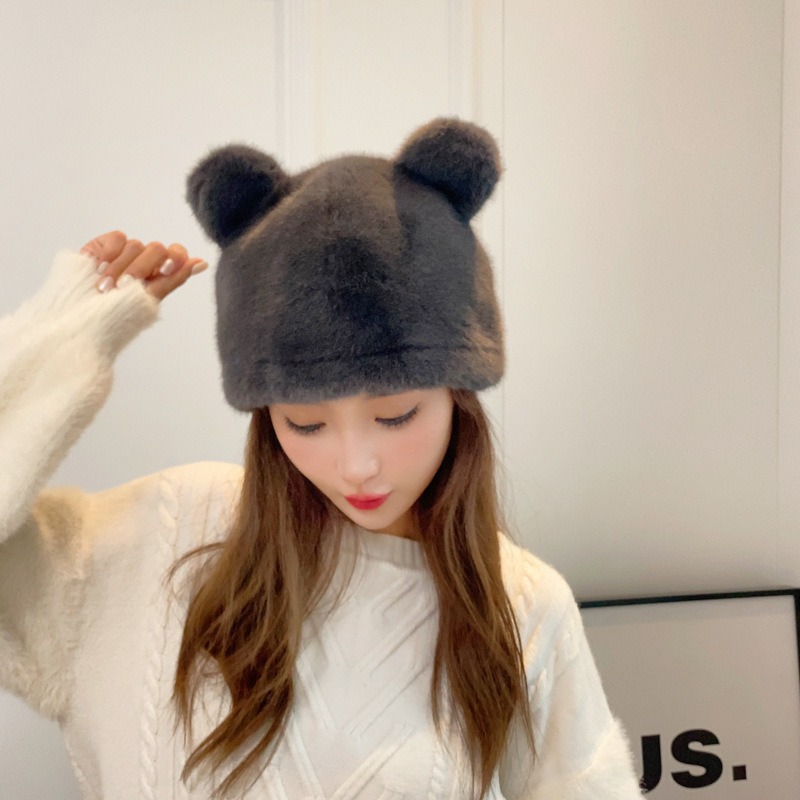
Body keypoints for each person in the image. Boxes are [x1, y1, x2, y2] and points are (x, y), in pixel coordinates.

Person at [0, 118, 643, 799]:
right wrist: (56, 338)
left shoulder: (522, 605)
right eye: (304, 423)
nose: (356, 465)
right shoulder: (153, 538)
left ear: (458, 395)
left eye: (396, 415)